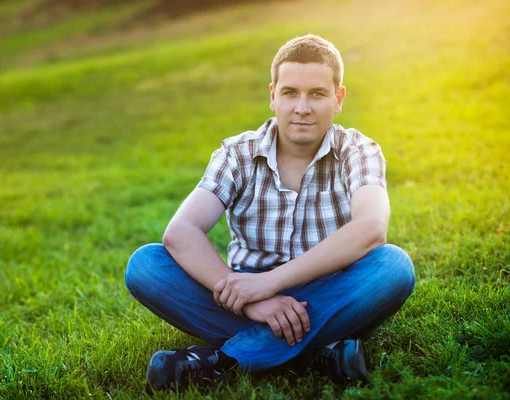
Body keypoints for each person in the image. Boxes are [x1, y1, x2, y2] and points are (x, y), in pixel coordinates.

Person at [125, 34, 415, 391]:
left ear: (338, 99)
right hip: (243, 295)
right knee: (146, 266)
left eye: (317, 94)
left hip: (330, 287)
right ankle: (322, 350)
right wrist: (255, 303)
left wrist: (270, 283)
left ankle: (222, 361)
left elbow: (371, 228)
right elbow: (181, 231)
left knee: (393, 267)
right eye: (291, 92)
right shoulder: (237, 153)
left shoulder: (358, 150)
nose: (302, 108)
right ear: (273, 95)